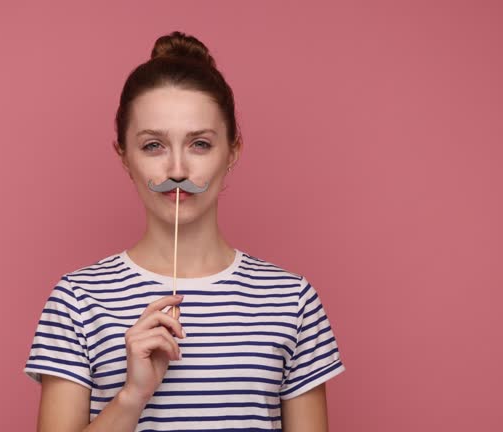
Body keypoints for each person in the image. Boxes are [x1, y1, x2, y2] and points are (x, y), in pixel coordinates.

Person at [23, 30, 345, 432]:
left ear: (233, 152)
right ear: (123, 156)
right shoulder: (77, 301)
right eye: (153, 145)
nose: (177, 171)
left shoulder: (292, 300)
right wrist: (132, 396)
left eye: (200, 144)